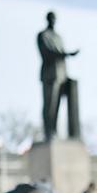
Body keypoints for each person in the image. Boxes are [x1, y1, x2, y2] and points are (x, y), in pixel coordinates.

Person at [38, 11, 80, 140]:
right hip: (49, 75)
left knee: (58, 106)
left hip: (62, 75)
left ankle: (59, 132)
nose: (53, 21)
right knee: (49, 105)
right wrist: (65, 54)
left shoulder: (59, 37)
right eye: (51, 19)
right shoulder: (43, 35)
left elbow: (61, 55)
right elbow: (47, 52)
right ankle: (48, 133)